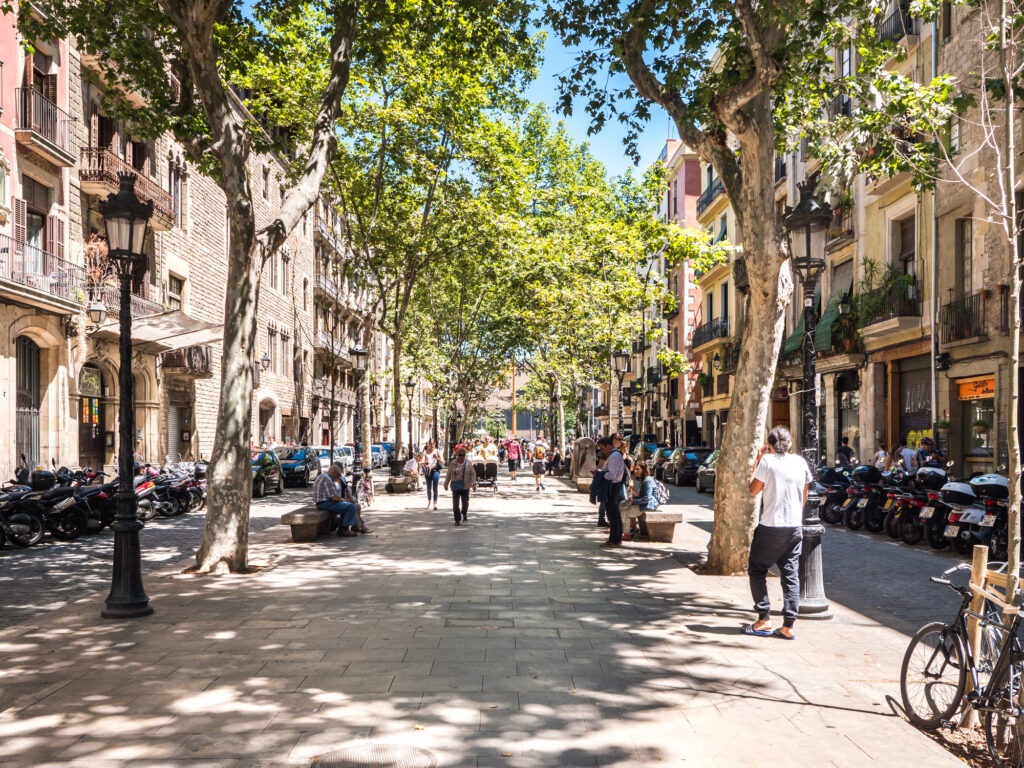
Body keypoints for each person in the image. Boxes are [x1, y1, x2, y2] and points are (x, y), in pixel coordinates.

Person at [744, 426, 812, 640]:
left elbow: (753, 490)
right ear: (790, 444)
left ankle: (763, 618)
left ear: (770, 445)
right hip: (794, 526)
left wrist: (758, 458)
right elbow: (804, 496)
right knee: (790, 573)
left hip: (771, 525)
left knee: (757, 568)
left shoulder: (767, 462)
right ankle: (788, 625)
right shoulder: (800, 462)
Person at [313, 463, 369, 537]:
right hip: (324, 503)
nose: (336, 478)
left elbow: (337, 494)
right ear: (334, 472)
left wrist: (347, 499)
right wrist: (346, 500)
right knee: (350, 506)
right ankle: (343, 529)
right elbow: (333, 497)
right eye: (337, 475)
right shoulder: (328, 479)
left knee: (351, 505)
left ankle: (350, 527)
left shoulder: (325, 476)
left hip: (325, 502)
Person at [597, 435, 626, 547]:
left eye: (603, 448)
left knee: (612, 514)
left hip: (612, 486)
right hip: (615, 486)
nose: (602, 451)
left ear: (608, 445)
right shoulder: (616, 455)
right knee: (615, 514)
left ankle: (614, 539)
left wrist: (601, 475)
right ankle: (616, 538)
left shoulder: (614, 456)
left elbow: (612, 474)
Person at [443, 446, 478, 525]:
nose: (462, 457)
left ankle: (464, 513)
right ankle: (457, 520)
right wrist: (446, 483)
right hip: (455, 486)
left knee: (465, 503)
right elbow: (448, 474)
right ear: (457, 455)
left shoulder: (468, 463)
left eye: (463, 455)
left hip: (465, 486)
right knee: (455, 504)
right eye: (460, 455)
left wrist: (473, 483)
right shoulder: (452, 463)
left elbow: (473, 474)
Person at [626, 462, 661, 536]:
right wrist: (632, 490)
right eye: (635, 469)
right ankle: (633, 528)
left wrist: (634, 501)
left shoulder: (647, 481)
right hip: (646, 503)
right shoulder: (643, 480)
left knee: (627, 510)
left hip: (650, 505)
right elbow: (640, 495)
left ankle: (631, 530)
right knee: (625, 505)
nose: (635, 471)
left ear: (644, 470)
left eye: (638, 469)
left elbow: (647, 498)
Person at [418, 439, 444, 510]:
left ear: (435, 444)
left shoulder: (437, 451)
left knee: (435, 487)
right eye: (430, 444)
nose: (432, 445)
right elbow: (421, 462)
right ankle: (429, 502)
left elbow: (443, 462)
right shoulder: (425, 452)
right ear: (428, 444)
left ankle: (435, 503)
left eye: (433, 444)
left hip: (435, 471)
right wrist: (424, 463)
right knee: (428, 487)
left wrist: (437, 458)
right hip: (428, 471)